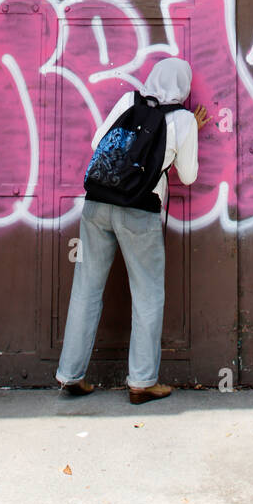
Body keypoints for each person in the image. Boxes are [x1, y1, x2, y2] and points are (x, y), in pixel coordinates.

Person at [55, 57, 206, 405]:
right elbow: (189, 176)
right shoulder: (182, 120)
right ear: (184, 86)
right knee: (148, 295)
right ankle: (141, 382)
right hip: (138, 211)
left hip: (97, 204)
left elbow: (98, 143)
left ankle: (69, 375)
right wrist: (189, 131)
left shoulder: (129, 101)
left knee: (86, 290)